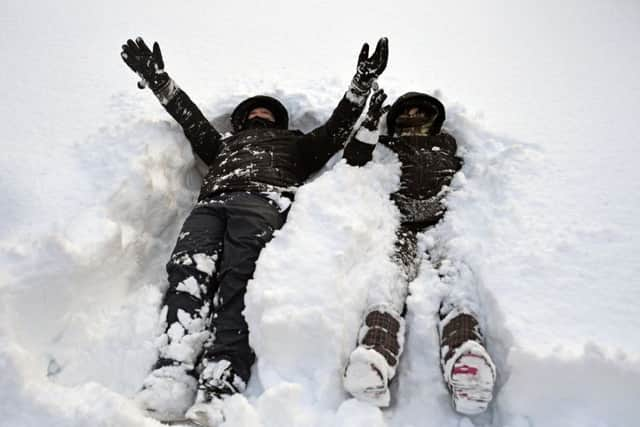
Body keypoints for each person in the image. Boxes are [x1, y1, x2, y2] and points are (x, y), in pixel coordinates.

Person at [120, 36, 388, 424]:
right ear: (241, 120)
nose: (261, 114)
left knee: (239, 278)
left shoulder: (296, 146)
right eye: (254, 111)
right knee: (187, 275)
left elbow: (334, 131)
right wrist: (159, 81)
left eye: (267, 112)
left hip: (262, 203)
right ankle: (171, 372)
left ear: (278, 121)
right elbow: (191, 118)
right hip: (210, 206)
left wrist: (359, 87)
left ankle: (222, 378)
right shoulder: (222, 146)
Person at [341, 89, 497, 415]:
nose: (413, 117)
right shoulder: (388, 145)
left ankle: (466, 355)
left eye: (420, 112)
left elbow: (474, 177)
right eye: (406, 113)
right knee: (391, 281)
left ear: (433, 118)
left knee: (455, 285)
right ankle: (374, 354)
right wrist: (369, 124)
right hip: (401, 226)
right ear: (396, 121)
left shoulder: (448, 143)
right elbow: (355, 159)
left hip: (443, 226)